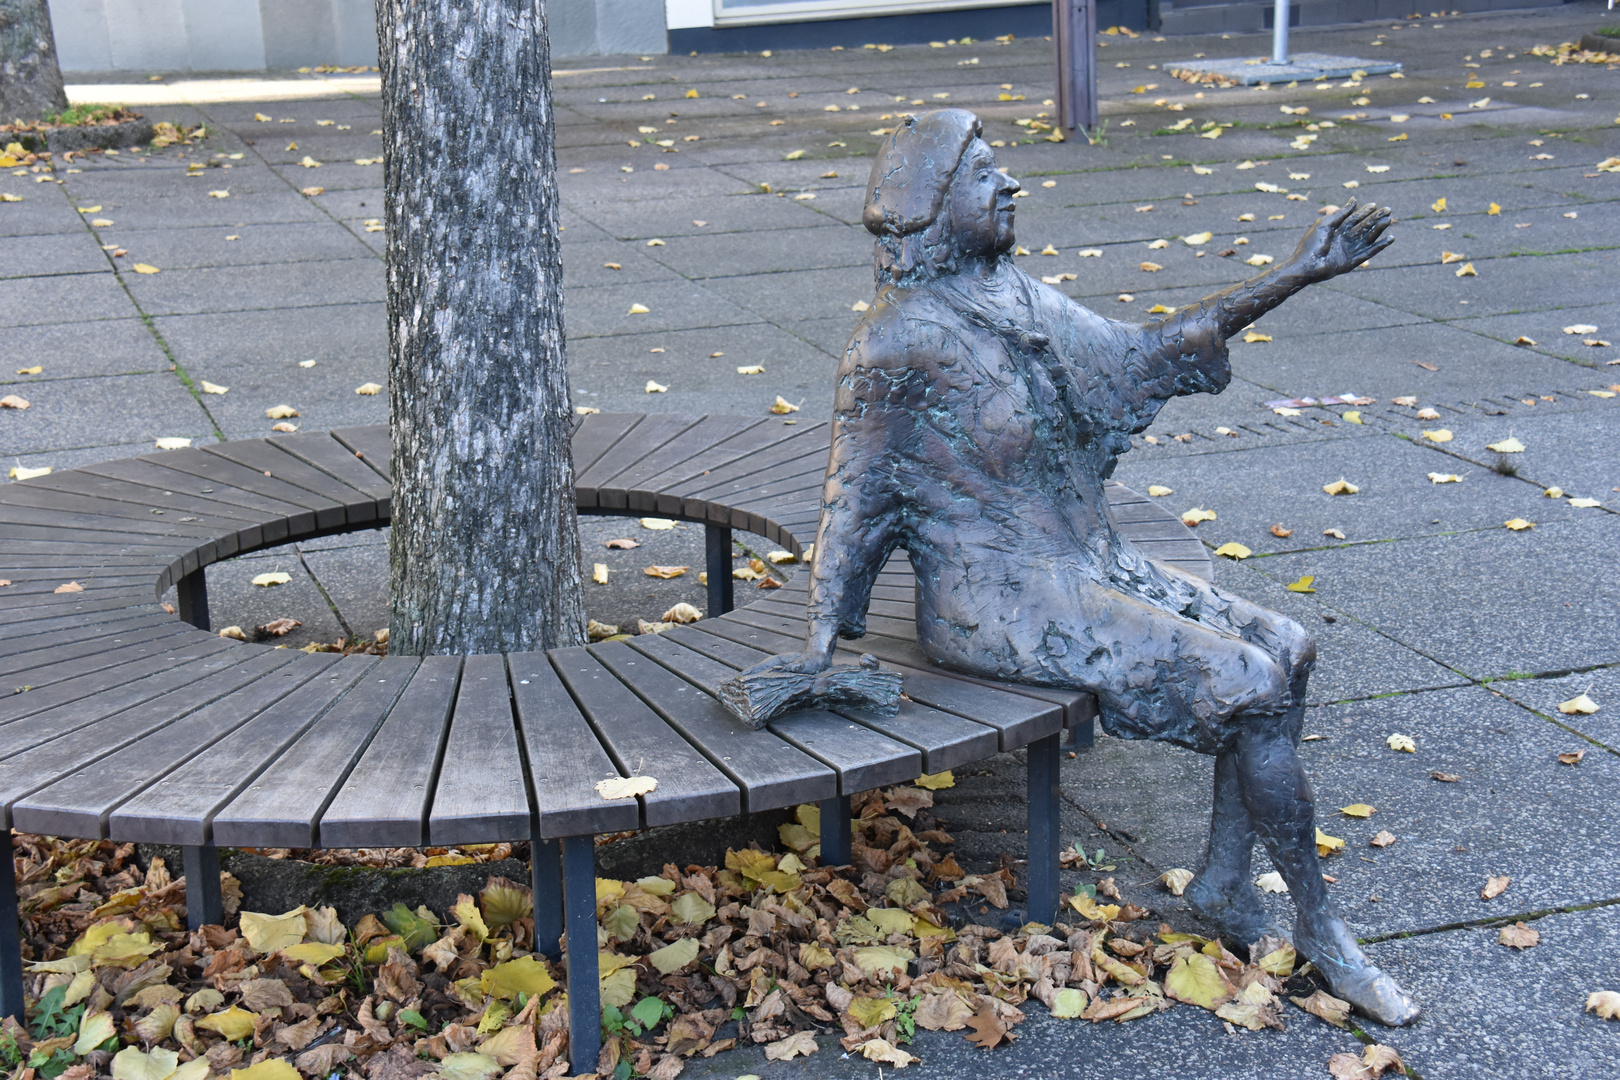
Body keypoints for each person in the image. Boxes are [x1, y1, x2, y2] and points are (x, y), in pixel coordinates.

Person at [739, 108, 1417, 1026]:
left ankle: (1223, 884)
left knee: (1288, 647)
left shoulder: (1020, 301)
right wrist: (821, 639)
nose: (1008, 183)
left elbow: (1147, 356)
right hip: (997, 600)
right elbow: (851, 496)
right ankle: (1324, 935)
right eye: (984, 173)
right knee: (1250, 680)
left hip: (1082, 562)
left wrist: (1293, 275)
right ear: (931, 207)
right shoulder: (895, 344)